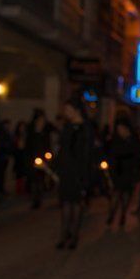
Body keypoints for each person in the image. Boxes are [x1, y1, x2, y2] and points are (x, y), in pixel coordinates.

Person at [55, 96, 93, 249]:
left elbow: (87, 154)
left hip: (78, 171)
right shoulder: (67, 127)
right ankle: (64, 234)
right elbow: (62, 148)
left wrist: (84, 175)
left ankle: (74, 235)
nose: (66, 112)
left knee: (76, 204)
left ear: (76, 110)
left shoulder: (86, 128)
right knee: (65, 203)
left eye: (68, 109)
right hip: (66, 171)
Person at [106, 116, 140, 226]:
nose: (120, 131)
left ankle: (122, 214)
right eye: (118, 129)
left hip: (129, 171)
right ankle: (112, 214)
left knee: (126, 195)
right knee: (116, 194)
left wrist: (136, 173)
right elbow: (111, 153)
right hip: (118, 170)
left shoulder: (134, 139)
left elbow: (137, 157)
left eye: (121, 128)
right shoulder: (116, 139)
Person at [25, 109, 52, 209]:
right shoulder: (31, 132)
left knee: (40, 179)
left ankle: (38, 198)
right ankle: (34, 198)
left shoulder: (45, 132)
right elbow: (28, 146)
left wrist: (48, 156)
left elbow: (47, 146)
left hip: (42, 159)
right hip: (32, 158)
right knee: (33, 180)